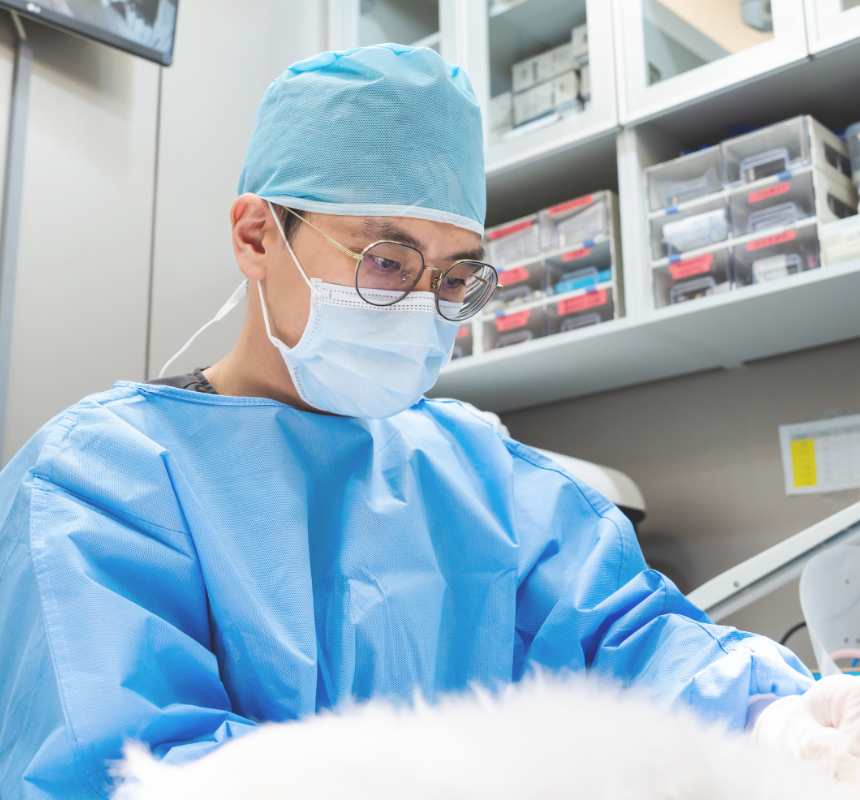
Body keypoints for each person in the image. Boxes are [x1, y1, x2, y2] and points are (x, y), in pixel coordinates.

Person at [0, 43, 854, 800]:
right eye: (385, 260)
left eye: (453, 279)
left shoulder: (476, 472)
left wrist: (776, 725)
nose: (419, 305)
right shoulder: (102, 482)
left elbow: (636, 644)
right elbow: (130, 769)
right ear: (256, 236)